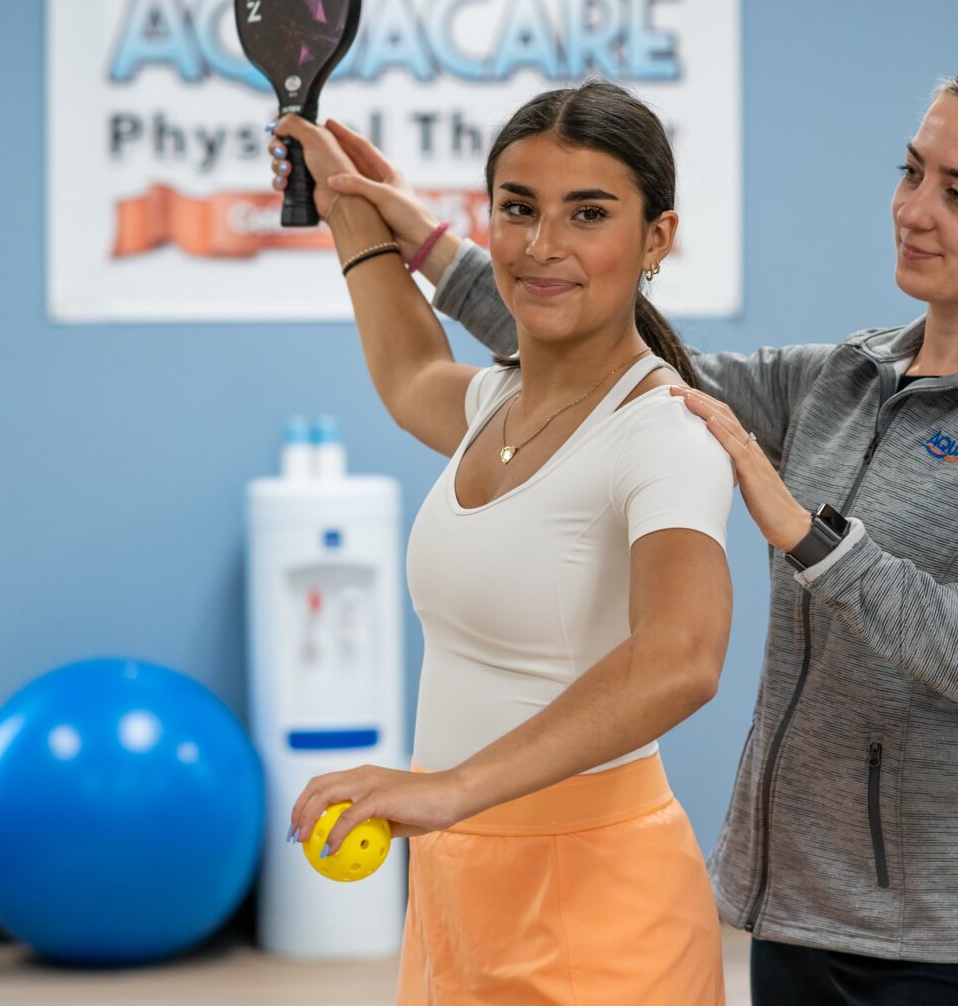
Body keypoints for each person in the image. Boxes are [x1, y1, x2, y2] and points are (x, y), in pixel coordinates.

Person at [280, 62, 958, 1006]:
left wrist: (807, 532)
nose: (915, 210)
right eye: (912, 173)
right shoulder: (842, 378)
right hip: (790, 900)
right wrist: (418, 242)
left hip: (945, 933)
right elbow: (601, 353)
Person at [277, 82, 735, 1005]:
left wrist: (450, 786)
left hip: (597, 897)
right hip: (460, 879)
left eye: (588, 214)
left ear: (657, 239)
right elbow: (410, 375)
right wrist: (348, 210)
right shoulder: (499, 402)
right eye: (518, 209)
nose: (542, 245)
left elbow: (682, 657)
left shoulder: (666, 434)